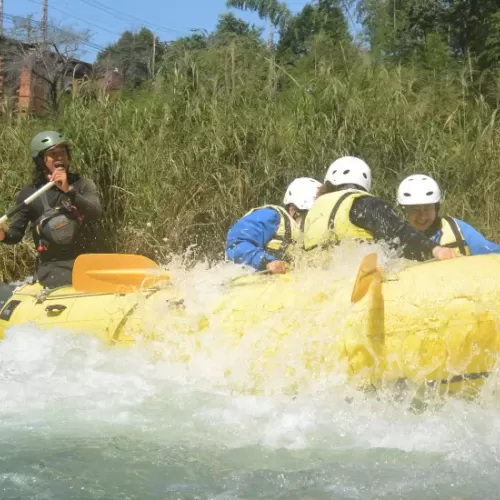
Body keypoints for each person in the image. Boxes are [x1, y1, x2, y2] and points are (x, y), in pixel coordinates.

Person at [0, 131, 102, 288]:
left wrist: (69, 190)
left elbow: (95, 212)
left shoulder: (83, 185)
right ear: (41, 160)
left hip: (86, 263)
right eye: (53, 154)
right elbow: (16, 234)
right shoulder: (29, 194)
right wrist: (3, 234)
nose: (60, 157)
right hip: (52, 269)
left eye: (63, 152)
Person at [303, 156, 457, 261]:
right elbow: (396, 231)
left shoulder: (313, 211)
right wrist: (434, 249)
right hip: (352, 282)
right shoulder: (362, 203)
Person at [226, 177, 322, 274]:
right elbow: (236, 244)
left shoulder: (307, 240)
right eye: (310, 214)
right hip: (247, 280)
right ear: (293, 210)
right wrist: (267, 262)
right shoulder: (271, 216)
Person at [397, 174, 500, 256]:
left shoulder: (457, 228)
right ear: (404, 211)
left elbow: (491, 252)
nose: (422, 216)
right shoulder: (396, 238)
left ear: (436, 208)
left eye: (427, 208)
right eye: (415, 210)